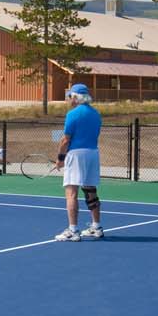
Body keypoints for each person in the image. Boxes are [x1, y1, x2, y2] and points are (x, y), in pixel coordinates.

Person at [54, 83, 103, 241]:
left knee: (71, 193)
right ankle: (96, 227)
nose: (68, 99)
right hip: (93, 153)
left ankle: (73, 230)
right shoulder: (96, 114)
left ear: (75, 97)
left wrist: (60, 158)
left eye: (70, 96)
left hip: (76, 155)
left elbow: (65, 139)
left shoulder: (72, 114)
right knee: (90, 191)